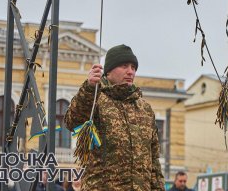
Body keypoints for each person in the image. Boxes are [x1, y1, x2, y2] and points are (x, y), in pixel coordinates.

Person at [64, 44, 165, 191]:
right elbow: (73, 122)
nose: (130, 72)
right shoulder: (96, 98)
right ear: (109, 71)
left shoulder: (145, 109)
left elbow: (154, 160)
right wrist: (90, 88)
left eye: (133, 67)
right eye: (124, 66)